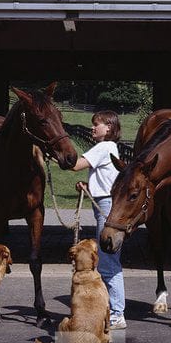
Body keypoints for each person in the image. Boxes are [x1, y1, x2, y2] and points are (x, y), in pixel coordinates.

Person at [71, 109, 126, 329]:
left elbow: (74, 164)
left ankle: (117, 314)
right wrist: (88, 187)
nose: (93, 127)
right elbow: (105, 181)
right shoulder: (110, 149)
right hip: (103, 201)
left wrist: (53, 150)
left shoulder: (104, 147)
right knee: (108, 260)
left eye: (98, 124)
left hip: (106, 206)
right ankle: (113, 311)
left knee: (108, 261)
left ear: (109, 127)